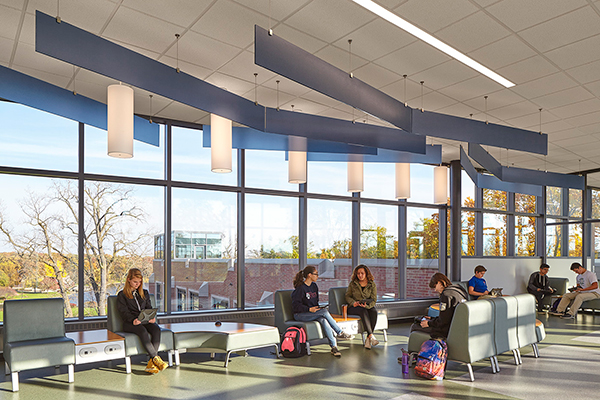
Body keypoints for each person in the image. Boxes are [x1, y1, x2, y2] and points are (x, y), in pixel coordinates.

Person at [292, 266, 352, 357]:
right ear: (309, 275)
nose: (317, 276)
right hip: (300, 314)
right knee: (324, 312)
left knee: (323, 319)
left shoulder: (314, 286)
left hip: (311, 313)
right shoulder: (300, 289)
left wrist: (316, 308)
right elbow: (296, 306)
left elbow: (315, 302)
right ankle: (340, 332)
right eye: (316, 274)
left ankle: (334, 347)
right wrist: (309, 309)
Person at [117, 268, 168, 374]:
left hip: (144, 321)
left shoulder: (144, 293)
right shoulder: (122, 295)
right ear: (129, 280)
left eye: (139, 282)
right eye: (135, 282)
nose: (138, 284)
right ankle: (155, 358)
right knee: (142, 331)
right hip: (129, 323)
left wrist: (151, 317)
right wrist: (133, 320)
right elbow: (123, 312)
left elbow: (149, 307)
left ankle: (151, 363)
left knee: (156, 329)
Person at [410, 273, 468, 339]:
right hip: (458, 328)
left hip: (446, 331)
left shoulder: (446, 295)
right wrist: (432, 319)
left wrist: (429, 323)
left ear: (440, 283)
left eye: (435, 286)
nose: (435, 290)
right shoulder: (460, 290)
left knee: (414, 326)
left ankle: (424, 349)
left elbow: (443, 322)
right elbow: (448, 316)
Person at [345, 264, 378, 349]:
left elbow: (374, 299)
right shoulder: (353, 284)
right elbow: (347, 296)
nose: (360, 275)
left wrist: (367, 306)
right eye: (358, 273)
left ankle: (368, 338)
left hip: (366, 306)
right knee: (362, 311)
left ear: (366, 274)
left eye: (362, 273)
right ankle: (371, 336)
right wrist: (353, 303)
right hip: (354, 307)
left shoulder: (372, 284)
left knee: (373, 311)